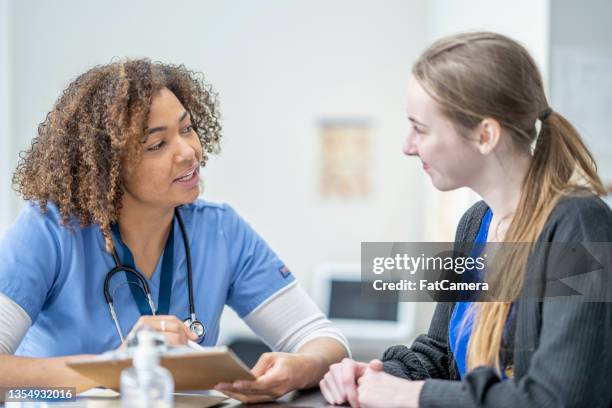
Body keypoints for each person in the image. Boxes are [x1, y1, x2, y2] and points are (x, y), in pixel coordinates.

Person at [0, 59, 349, 403]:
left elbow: (321, 338)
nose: (188, 152)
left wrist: (302, 367)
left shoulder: (220, 232)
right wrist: (109, 371)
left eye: (187, 129)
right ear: (108, 166)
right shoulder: (51, 230)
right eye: (157, 145)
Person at [320, 31, 612, 408]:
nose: (407, 146)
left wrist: (413, 395)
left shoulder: (579, 226)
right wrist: (373, 375)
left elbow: (557, 399)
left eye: (421, 129)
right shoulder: (475, 223)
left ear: (485, 135)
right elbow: (441, 356)